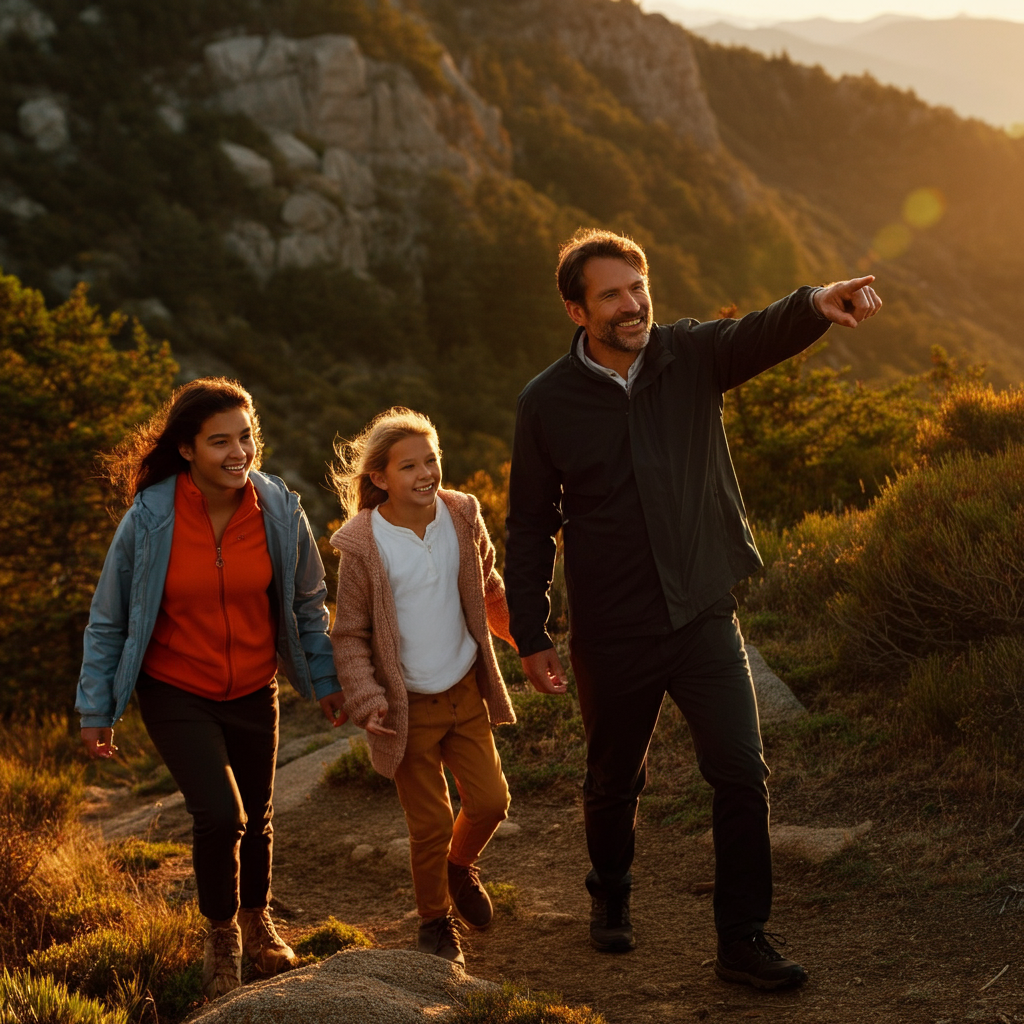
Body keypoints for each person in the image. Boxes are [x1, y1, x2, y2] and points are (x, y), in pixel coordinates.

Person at [504, 229, 881, 990]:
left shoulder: (690, 354)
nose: (632, 303)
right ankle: (609, 888)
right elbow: (530, 522)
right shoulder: (545, 402)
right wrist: (530, 630)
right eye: (611, 294)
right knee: (615, 780)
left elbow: (758, 332)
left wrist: (816, 302)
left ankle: (743, 937)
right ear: (578, 311)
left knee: (741, 772)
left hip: (704, 610)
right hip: (612, 627)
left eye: (638, 286)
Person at [77, 377, 346, 1002]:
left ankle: (258, 925)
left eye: (245, 436)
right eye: (219, 440)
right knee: (221, 814)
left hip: (254, 685)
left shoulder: (279, 508)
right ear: (187, 450)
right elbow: (109, 617)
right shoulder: (149, 519)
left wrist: (324, 680)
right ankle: (220, 935)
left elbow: (309, 603)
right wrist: (97, 709)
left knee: (259, 819)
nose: (238, 451)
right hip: (177, 689)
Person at [328, 406, 517, 967]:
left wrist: (526, 644)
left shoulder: (461, 513)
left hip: (464, 690)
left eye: (431, 459)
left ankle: (459, 869)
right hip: (406, 708)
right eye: (408, 465)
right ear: (380, 478)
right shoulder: (364, 544)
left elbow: (488, 585)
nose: (425, 472)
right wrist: (367, 698)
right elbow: (349, 634)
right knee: (430, 822)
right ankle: (434, 922)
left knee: (490, 802)